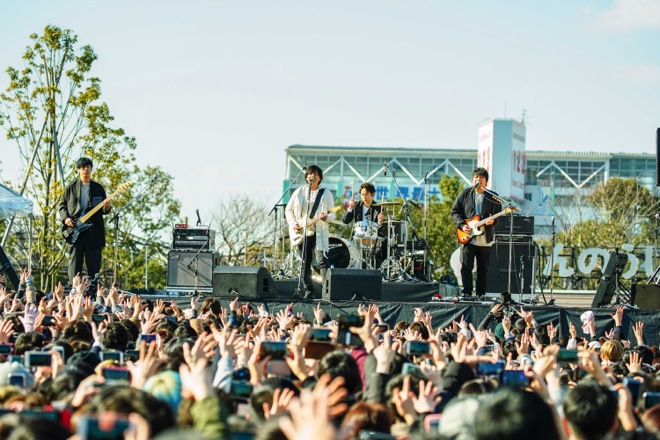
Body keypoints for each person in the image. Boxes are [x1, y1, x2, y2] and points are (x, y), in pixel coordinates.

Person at [58, 157, 111, 286]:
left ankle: (93, 288)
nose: (85, 169)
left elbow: (103, 210)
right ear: (78, 170)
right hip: (76, 229)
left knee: (94, 263)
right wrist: (66, 218)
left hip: (93, 231)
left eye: (88, 167)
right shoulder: (70, 188)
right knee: (75, 262)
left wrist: (107, 207)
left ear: (91, 169)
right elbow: (62, 206)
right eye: (82, 167)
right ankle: (74, 288)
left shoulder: (98, 188)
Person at [285, 165, 335, 299]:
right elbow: (288, 210)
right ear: (306, 177)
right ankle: (308, 291)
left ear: (320, 178)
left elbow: (333, 214)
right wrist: (294, 223)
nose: (312, 176)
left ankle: (326, 291)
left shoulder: (326, 193)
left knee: (322, 261)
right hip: (302, 233)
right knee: (305, 262)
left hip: (319, 232)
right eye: (310, 174)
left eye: (316, 174)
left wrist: (326, 217)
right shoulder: (299, 192)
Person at [451, 167, 501, 298]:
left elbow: (498, 216)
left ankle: (480, 294)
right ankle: (467, 292)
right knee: (466, 266)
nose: (478, 180)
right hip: (468, 237)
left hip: (485, 238)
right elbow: (455, 212)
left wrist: (493, 221)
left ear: (486, 181)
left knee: (483, 269)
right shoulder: (465, 194)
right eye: (476, 177)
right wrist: (462, 226)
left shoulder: (493, 197)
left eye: (481, 178)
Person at [342, 182, 385, 268]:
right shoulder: (356, 206)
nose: (364, 197)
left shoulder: (379, 207)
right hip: (358, 237)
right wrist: (350, 208)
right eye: (362, 194)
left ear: (372, 194)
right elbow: (345, 221)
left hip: (373, 238)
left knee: (383, 244)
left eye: (366, 194)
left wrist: (380, 222)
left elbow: (382, 229)